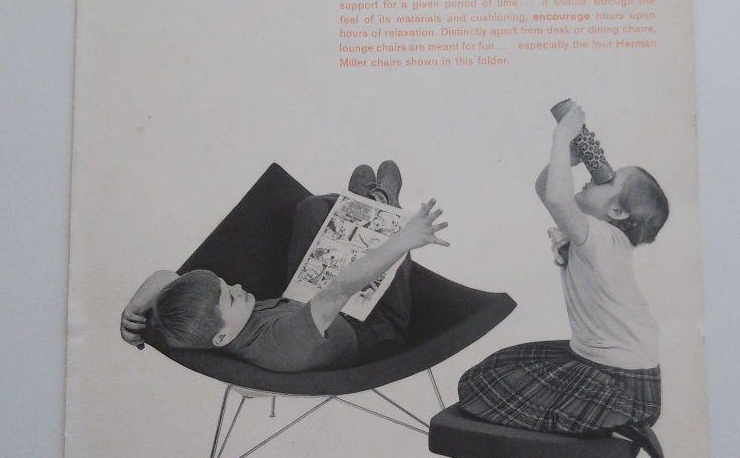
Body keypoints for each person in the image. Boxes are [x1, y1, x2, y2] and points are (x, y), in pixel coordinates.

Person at [457, 100, 669, 436]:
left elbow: (558, 199)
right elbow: (546, 190)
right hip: (599, 363)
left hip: (623, 379)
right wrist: (567, 159)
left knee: (485, 388)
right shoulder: (594, 232)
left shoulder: (604, 240)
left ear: (617, 212)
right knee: (492, 371)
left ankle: (622, 419)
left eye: (607, 180)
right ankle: (607, 417)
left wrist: (561, 136)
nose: (594, 177)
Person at [119, 162, 448, 372]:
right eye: (230, 297)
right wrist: (404, 239)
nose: (237, 287)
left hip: (302, 304)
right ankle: (385, 207)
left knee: (310, 209)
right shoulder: (282, 343)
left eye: (226, 285)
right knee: (387, 243)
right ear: (222, 336)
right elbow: (340, 289)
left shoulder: (192, 327)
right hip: (373, 327)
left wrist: (134, 309)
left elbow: (167, 278)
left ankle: (361, 206)